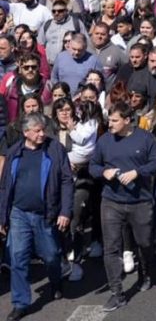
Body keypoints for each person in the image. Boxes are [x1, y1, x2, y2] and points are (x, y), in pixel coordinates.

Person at [89, 102, 156, 312]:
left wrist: (137, 172)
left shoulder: (145, 138)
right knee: (111, 247)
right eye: (109, 120)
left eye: (114, 120)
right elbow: (93, 165)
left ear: (127, 120)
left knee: (144, 243)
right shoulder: (104, 140)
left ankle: (145, 271)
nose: (109, 124)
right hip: (111, 201)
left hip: (140, 201)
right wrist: (103, 172)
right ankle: (117, 293)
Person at [0, 114, 73, 321]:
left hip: (45, 214)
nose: (42, 134)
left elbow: (67, 181)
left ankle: (56, 280)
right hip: (19, 214)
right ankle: (20, 303)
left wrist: (65, 211)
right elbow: (5, 186)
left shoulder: (55, 149)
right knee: (18, 258)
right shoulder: (15, 152)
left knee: (50, 255)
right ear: (26, 133)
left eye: (43, 130)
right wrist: (2, 216)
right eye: (38, 130)